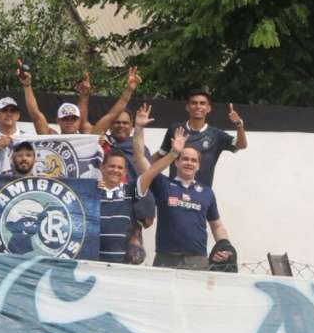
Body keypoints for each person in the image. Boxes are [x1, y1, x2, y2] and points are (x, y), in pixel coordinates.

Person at [132, 103, 234, 271]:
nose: (189, 163)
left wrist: (225, 245)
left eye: (194, 160)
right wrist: (139, 129)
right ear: (176, 162)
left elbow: (216, 225)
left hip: (198, 260)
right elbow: (139, 158)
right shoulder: (163, 184)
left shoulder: (207, 193)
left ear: (199, 166)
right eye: (185, 158)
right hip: (166, 259)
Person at [152, 88, 247, 188]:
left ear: (208, 108)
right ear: (187, 107)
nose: (198, 106)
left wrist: (239, 124)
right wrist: (139, 169)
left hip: (201, 195)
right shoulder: (175, 129)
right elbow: (160, 155)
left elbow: (242, 145)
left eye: (202, 103)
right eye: (194, 103)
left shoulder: (216, 135)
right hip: (174, 192)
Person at [97, 150, 146, 265]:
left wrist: (172, 154)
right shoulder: (90, 190)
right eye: (112, 166)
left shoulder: (130, 190)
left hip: (120, 265)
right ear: (102, 167)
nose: (115, 170)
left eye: (120, 168)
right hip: (92, 262)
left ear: (125, 172)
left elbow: (151, 173)